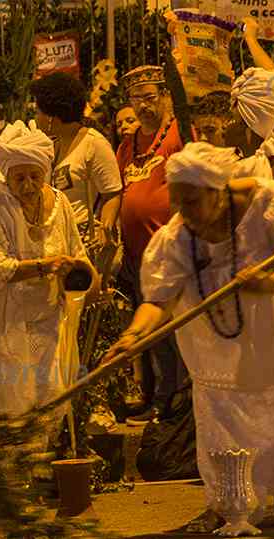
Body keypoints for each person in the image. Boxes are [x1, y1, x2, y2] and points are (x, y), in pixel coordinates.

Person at [102, 142, 274, 532]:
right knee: (220, 419)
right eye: (176, 203)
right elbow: (159, 300)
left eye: (190, 202)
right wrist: (133, 335)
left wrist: (270, 282)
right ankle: (225, 506)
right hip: (217, 343)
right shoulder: (177, 237)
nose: (182, 213)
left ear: (217, 192)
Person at [0, 121, 93, 428]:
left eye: (34, 176)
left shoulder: (61, 202)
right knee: (10, 401)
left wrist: (87, 275)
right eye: (19, 178)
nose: (27, 185)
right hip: (4, 320)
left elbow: (76, 252)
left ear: (45, 173)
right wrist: (47, 265)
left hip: (48, 318)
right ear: (8, 177)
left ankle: (42, 461)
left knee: (46, 397)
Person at [116, 65, 187, 425]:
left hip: (172, 256)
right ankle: (160, 397)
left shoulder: (177, 135)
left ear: (165, 97)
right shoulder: (128, 146)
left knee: (176, 332)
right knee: (154, 337)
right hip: (137, 258)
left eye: (149, 97)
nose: (143, 106)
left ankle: (179, 404)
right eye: (135, 99)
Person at [30, 71, 122, 269]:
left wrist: (104, 229)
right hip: (58, 244)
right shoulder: (52, 146)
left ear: (51, 116)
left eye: (37, 111)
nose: (35, 117)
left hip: (86, 246)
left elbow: (113, 193)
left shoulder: (94, 144)